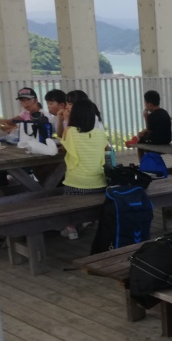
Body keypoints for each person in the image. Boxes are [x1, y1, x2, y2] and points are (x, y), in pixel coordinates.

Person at [60, 99, 108, 239]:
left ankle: (71, 228)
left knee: (67, 198)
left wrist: (66, 120)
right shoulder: (100, 134)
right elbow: (106, 148)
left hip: (76, 186)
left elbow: (63, 149)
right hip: (99, 185)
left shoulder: (70, 131)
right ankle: (88, 220)